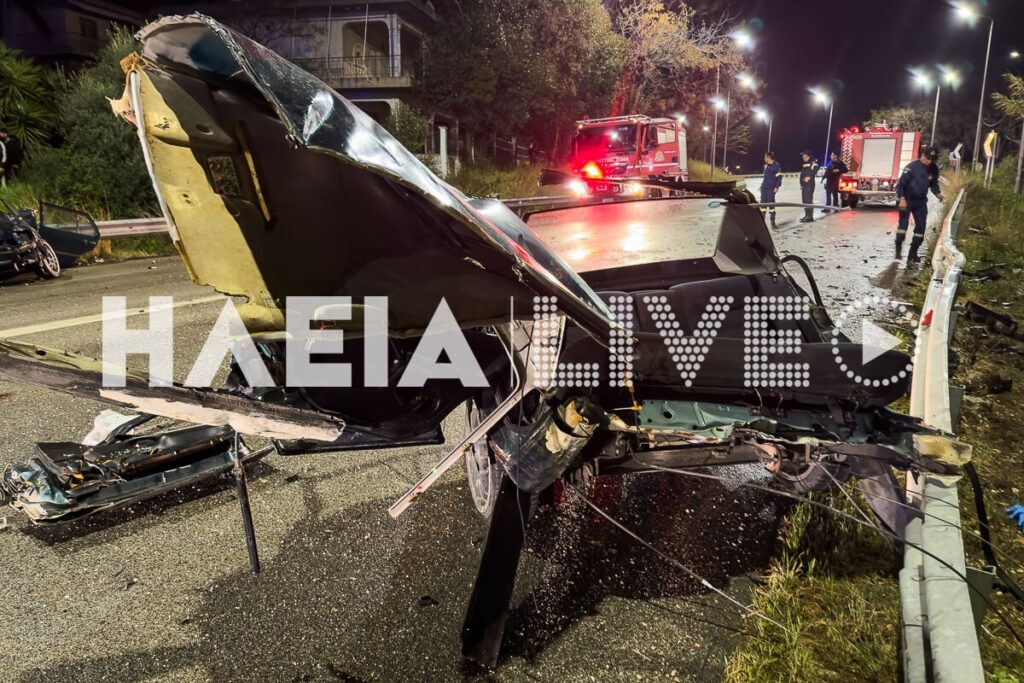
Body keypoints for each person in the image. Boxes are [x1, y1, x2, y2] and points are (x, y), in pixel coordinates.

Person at [894, 146, 945, 264]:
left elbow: (934, 185)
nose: (929, 161)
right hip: (907, 199)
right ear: (922, 155)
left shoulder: (934, 169)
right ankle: (898, 251)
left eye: (931, 159)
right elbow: (901, 185)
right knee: (903, 226)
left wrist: (939, 194)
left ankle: (913, 253)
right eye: (927, 158)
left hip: (921, 202)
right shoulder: (911, 167)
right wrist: (902, 198)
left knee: (921, 228)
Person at [759, 151, 782, 228]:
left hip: (771, 189)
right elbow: (765, 178)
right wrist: (761, 185)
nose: (764, 159)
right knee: (762, 206)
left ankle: (773, 222)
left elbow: (779, 177)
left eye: (765, 157)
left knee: (771, 205)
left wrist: (777, 187)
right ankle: (762, 223)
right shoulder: (766, 166)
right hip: (764, 188)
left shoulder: (776, 165)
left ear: (769, 157)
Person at [799, 150, 819, 223]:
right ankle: (806, 215)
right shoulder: (805, 164)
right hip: (804, 185)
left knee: (808, 200)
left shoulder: (812, 162)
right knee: (804, 200)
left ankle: (810, 216)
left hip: (809, 184)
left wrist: (809, 176)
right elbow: (802, 175)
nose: (803, 157)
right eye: (803, 156)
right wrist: (801, 184)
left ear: (808, 156)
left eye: (804, 156)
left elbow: (816, 167)